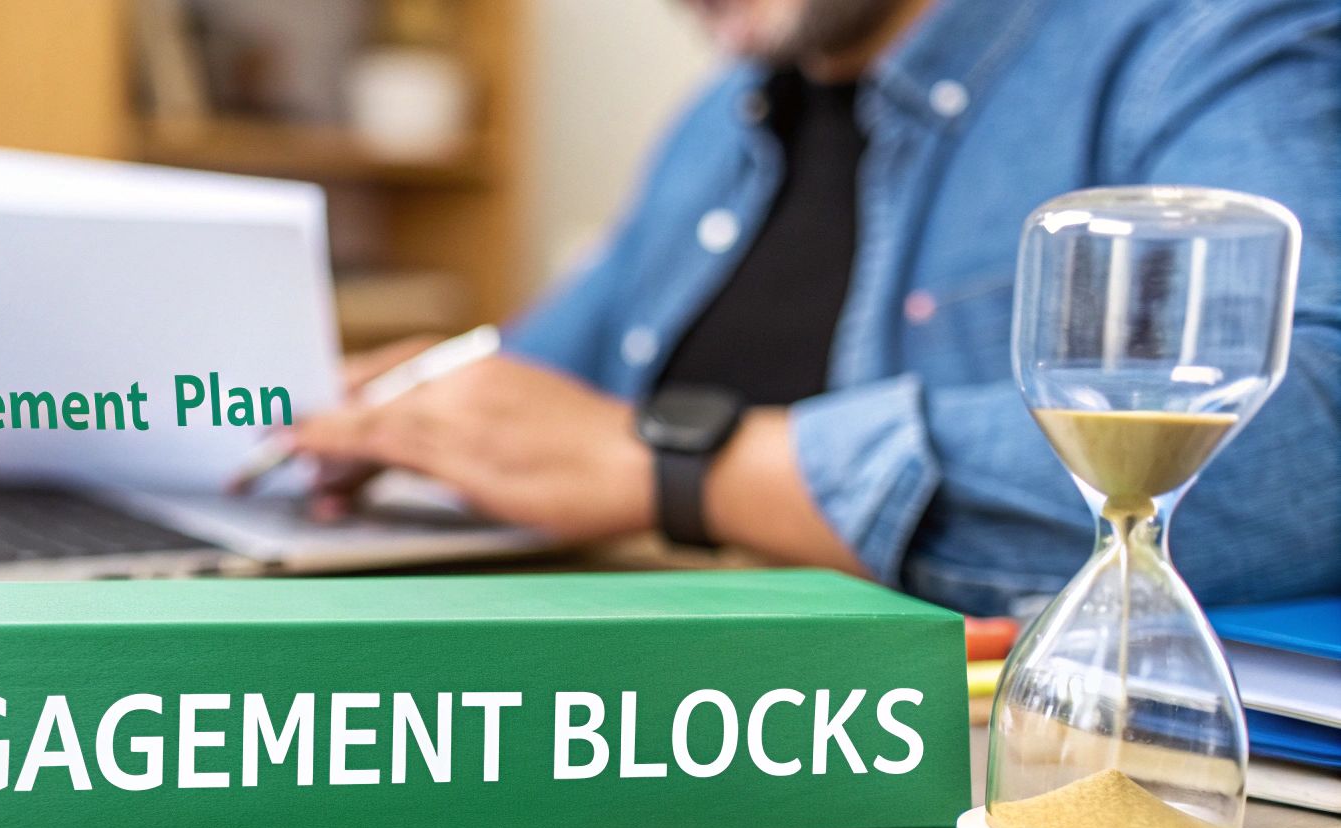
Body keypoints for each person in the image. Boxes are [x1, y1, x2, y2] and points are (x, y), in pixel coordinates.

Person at [288, 0, 1341, 615]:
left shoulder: (1197, 42)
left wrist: (675, 470)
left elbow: (1308, 445)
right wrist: (412, 411)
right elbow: (543, 383)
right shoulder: (715, 120)